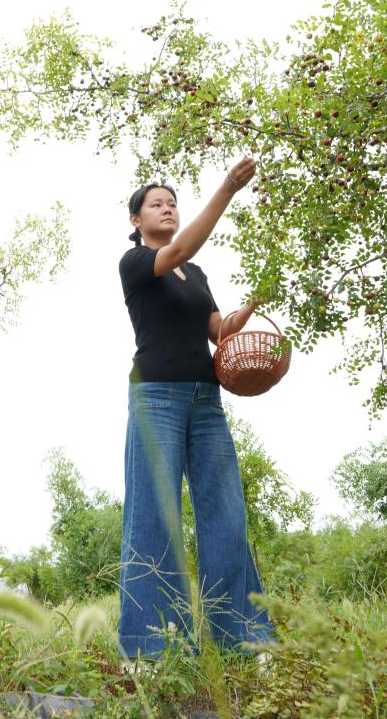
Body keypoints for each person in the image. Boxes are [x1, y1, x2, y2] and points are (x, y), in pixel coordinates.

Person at [117, 156, 273, 659]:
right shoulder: (135, 263)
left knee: (226, 516)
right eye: (155, 204)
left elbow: (219, 331)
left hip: (206, 400)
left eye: (172, 203)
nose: (167, 208)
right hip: (156, 398)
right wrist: (227, 187)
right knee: (153, 518)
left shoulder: (197, 273)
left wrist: (253, 303)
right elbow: (181, 247)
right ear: (136, 219)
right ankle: (151, 649)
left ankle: (244, 642)